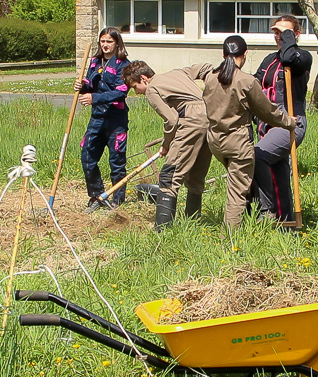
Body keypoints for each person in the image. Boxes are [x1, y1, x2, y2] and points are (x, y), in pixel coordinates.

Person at [202, 34, 295, 228]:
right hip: (237, 143)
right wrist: (289, 122)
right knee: (236, 192)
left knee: (239, 182)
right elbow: (267, 111)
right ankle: (231, 237)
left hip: (215, 141)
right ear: (244, 54)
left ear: (223, 53)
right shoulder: (246, 81)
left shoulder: (210, 78)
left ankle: (250, 217)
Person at [136, 60, 213, 229]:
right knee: (195, 176)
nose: (137, 92)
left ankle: (162, 230)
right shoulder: (179, 72)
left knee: (169, 176)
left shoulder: (152, 88)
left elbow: (171, 120)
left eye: (135, 87)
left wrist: (166, 143)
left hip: (192, 121)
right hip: (211, 117)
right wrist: (212, 86)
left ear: (143, 79)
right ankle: (192, 223)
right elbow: (204, 67)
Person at [251, 14, 311, 222]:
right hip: (267, 124)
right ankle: (284, 219)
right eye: (276, 32)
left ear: (296, 34)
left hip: (290, 123)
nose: (279, 37)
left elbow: (288, 57)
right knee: (278, 171)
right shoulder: (269, 60)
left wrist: (288, 38)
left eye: (284, 33)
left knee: (258, 156)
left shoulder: (302, 57)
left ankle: (267, 212)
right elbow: (254, 84)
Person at [77, 28, 132, 209]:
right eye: (102, 41)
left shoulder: (124, 65)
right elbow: (90, 85)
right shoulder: (95, 61)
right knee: (87, 155)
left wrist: (95, 98)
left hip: (116, 120)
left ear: (117, 44)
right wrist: (82, 87)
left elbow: (120, 92)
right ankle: (97, 196)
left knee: (116, 162)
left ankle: (118, 200)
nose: (105, 45)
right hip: (97, 118)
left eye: (109, 41)